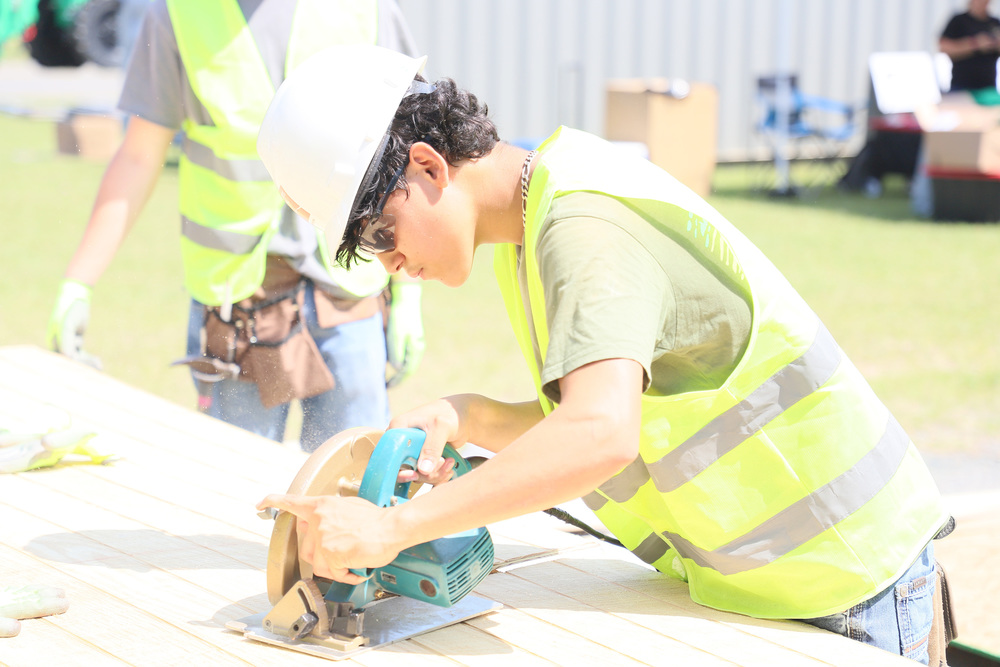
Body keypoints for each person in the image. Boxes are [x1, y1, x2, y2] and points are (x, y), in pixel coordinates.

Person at [255, 45, 953, 664]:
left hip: (849, 581)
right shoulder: (538, 219)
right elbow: (630, 409)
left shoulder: (582, 227)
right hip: (796, 573)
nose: (389, 262)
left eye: (379, 232)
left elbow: (601, 433)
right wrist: (468, 417)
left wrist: (393, 528)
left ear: (430, 165)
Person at [46, 0, 426, 452]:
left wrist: (408, 292)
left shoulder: (366, 9)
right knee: (232, 486)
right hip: (238, 305)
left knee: (353, 480)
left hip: (349, 296)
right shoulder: (178, 15)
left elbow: (407, 153)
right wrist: (79, 283)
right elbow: (138, 155)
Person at [939, 0, 1000, 92]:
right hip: (961, 86)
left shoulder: (995, 23)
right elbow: (944, 47)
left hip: (988, 87)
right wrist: (975, 44)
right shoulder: (958, 21)